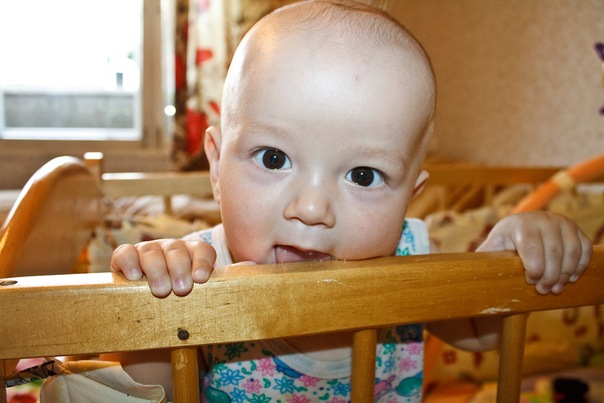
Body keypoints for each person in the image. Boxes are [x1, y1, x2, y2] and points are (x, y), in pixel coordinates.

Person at [106, 1, 592, 401]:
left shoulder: (410, 270)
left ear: (409, 198)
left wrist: (510, 256)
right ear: (216, 168)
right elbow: (156, 391)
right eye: (274, 158)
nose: (312, 208)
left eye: (363, 175)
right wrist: (158, 307)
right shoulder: (199, 274)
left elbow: (484, 331)